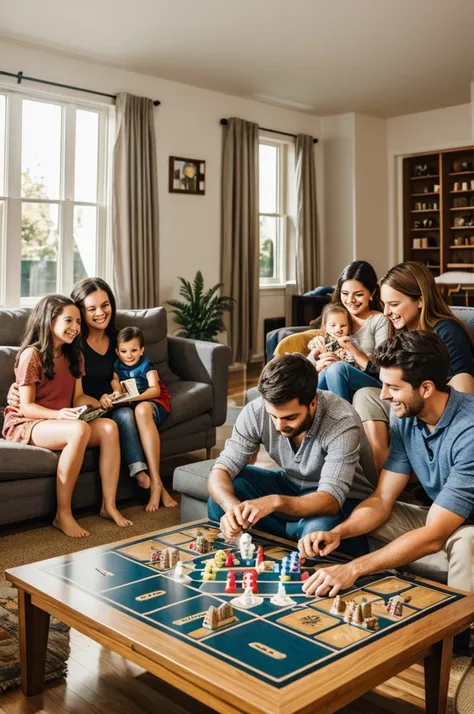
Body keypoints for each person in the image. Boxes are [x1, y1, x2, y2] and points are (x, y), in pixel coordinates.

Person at [299, 331, 474, 653]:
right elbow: (382, 499)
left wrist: (354, 568)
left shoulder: (470, 431)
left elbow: (435, 535)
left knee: (468, 541)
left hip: (463, 529)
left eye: (393, 388)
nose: (384, 396)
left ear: (426, 388)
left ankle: (458, 641)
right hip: (446, 517)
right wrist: (339, 531)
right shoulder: (406, 416)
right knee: (364, 511)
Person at [207, 353, 376, 554]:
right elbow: (221, 470)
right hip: (292, 486)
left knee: (316, 533)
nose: (279, 426)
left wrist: (275, 502)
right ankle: (283, 538)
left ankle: (287, 535)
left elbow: (330, 500)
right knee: (224, 498)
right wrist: (232, 507)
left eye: (290, 417)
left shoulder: (341, 420)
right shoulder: (256, 410)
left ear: (312, 403)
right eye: (273, 416)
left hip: (339, 501)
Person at [2, 295, 133, 538]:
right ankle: (63, 514)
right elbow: (27, 407)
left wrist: (98, 404)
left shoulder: (75, 355)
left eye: (77, 322)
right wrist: (60, 414)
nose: (75, 327)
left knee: (108, 427)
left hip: (60, 422)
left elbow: (78, 397)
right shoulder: (31, 356)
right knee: (79, 430)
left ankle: (109, 505)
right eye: (68, 321)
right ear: (49, 321)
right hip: (27, 423)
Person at [353, 261, 474, 471]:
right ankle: (383, 472)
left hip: (434, 406)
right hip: (410, 398)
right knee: (364, 395)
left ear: (420, 300)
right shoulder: (402, 332)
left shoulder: (447, 331)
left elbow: (466, 391)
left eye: (394, 304)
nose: (386, 312)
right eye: (384, 304)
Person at [110, 326, 176, 511]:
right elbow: (115, 379)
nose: (129, 355)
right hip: (131, 406)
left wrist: (133, 398)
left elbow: (155, 389)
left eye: (133, 350)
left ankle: (156, 484)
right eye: (123, 351)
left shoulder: (146, 365)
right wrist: (116, 389)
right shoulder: (117, 365)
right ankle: (156, 484)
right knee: (130, 415)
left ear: (142, 350)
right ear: (117, 351)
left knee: (140, 411)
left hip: (153, 402)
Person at [311, 261, 388, 403]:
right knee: (318, 378)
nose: (350, 300)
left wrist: (350, 348)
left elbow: (381, 368)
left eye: (358, 294)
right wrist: (316, 360)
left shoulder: (379, 320)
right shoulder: (337, 315)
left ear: (372, 293)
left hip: (371, 381)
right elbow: (317, 337)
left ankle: (345, 422)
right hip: (332, 378)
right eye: (345, 293)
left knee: (336, 368)